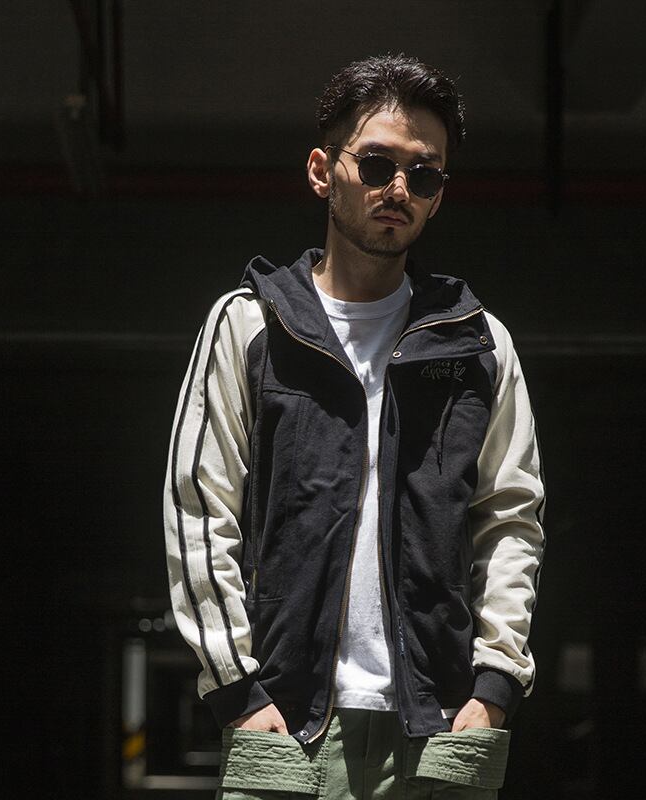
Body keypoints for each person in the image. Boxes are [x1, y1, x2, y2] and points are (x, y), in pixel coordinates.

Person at [164, 53, 545, 800]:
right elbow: (198, 511)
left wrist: (495, 685)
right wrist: (238, 690)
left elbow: (511, 518)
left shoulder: (477, 342)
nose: (398, 189)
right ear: (322, 171)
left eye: (423, 176)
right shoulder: (250, 325)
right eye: (376, 164)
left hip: (441, 729)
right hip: (286, 727)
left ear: (438, 197)